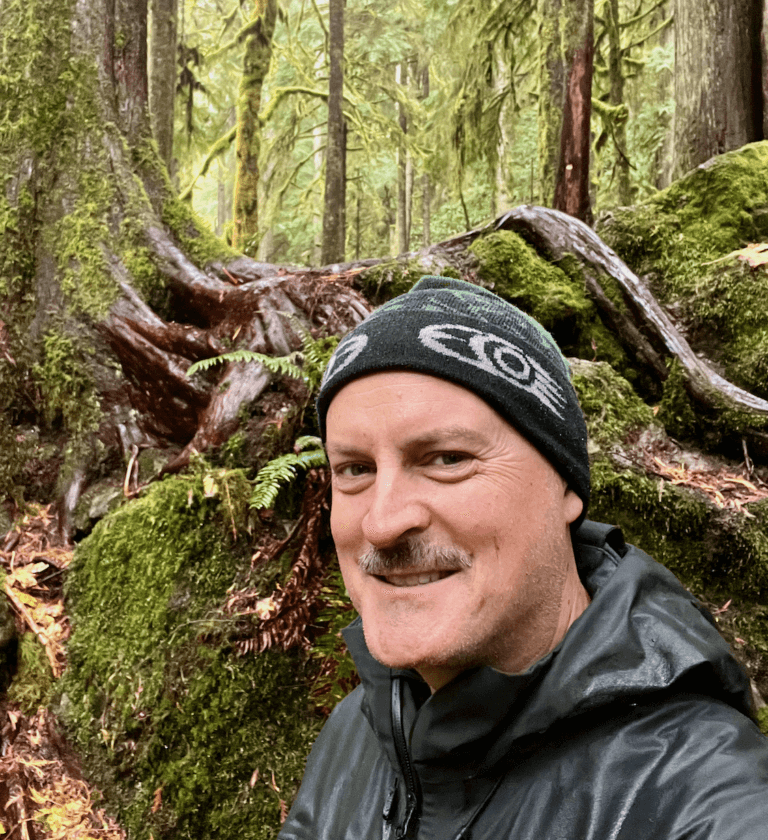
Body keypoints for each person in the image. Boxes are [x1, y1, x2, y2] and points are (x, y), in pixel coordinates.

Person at [278, 276, 768, 840]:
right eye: (355, 470)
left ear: (565, 486)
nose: (383, 523)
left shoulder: (699, 793)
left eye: (446, 458)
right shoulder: (362, 731)